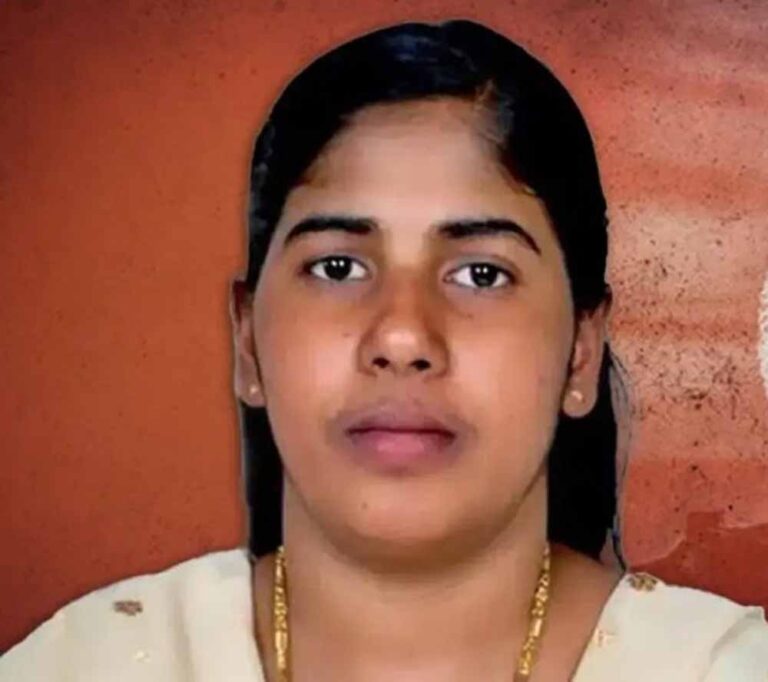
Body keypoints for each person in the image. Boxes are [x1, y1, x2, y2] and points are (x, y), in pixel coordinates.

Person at [2, 18, 767, 681]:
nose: (402, 337)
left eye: (481, 273)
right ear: (249, 342)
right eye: (337, 267)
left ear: (580, 353)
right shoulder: (88, 664)